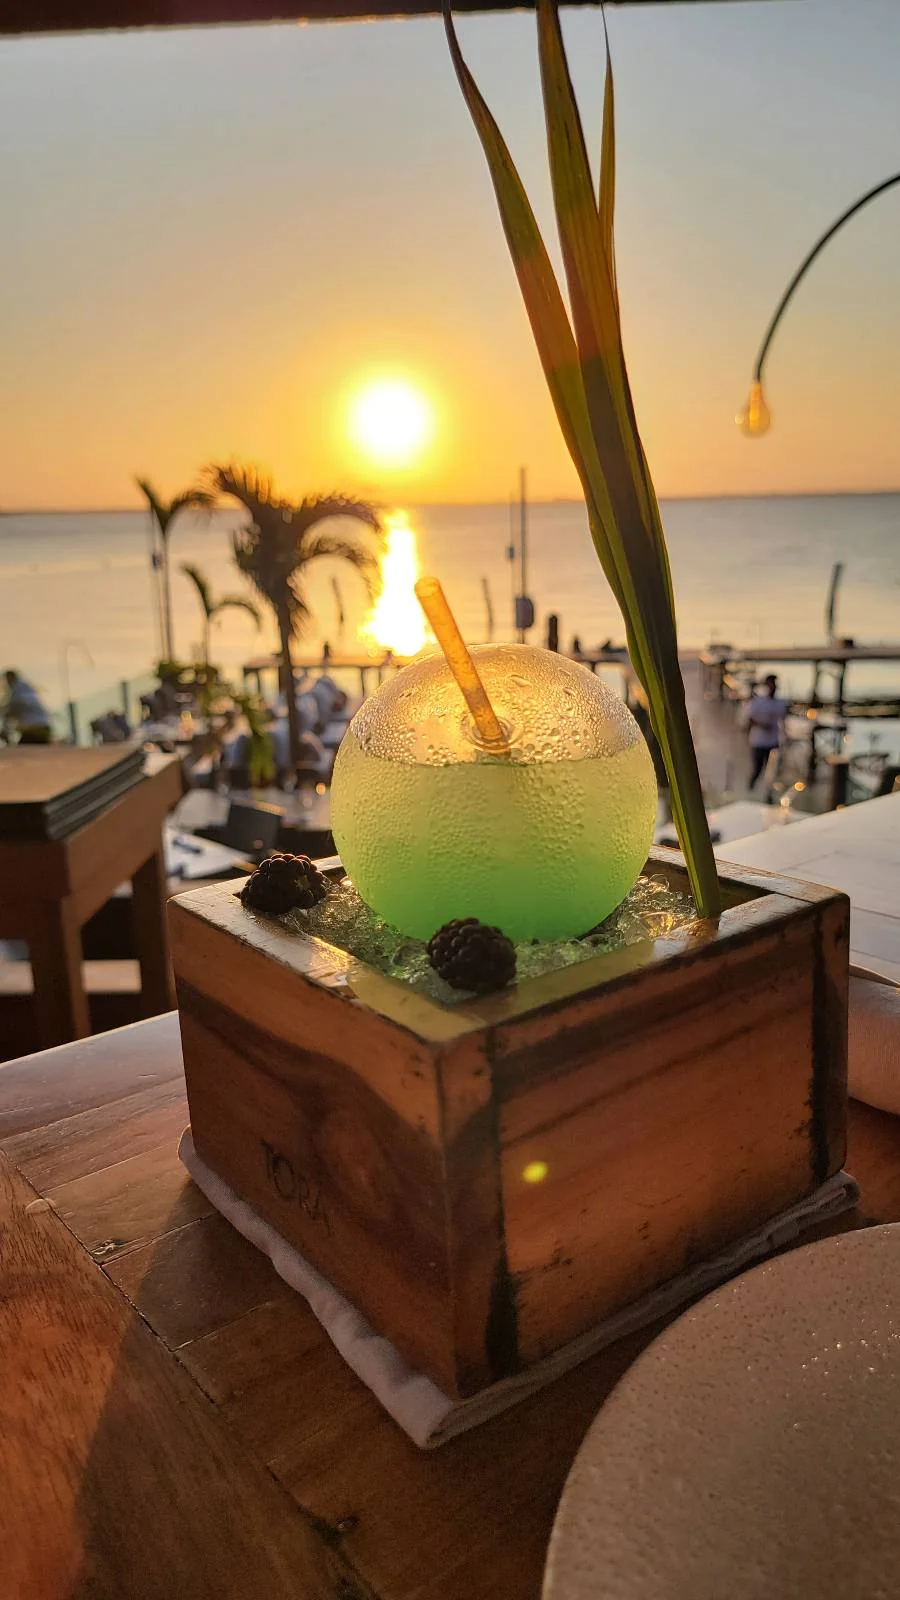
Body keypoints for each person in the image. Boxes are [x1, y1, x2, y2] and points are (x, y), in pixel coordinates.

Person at [745, 674, 788, 790]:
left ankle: (768, 794)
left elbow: (783, 721)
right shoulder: (758, 702)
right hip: (758, 742)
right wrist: (763, 726)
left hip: (773, 742)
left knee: (772, 771)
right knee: (757, 769)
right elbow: (749, 720)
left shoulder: (780, 704)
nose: (772, 687)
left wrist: (785, 738)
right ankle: (750, 790)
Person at [1, 669, 53, 744]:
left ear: (9, 678)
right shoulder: (26, 688)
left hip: (34, 730)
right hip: (44, 728)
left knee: (21, 752)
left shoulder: (17, 690)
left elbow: (13, 708)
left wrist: (5, 716)